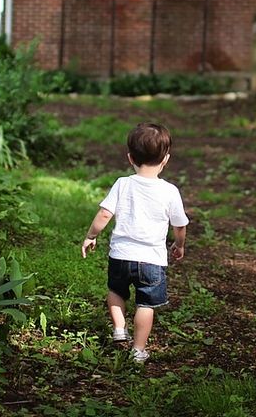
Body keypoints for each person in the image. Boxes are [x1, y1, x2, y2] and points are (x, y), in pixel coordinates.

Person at [81, 122, 189, 363]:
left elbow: (104, 214)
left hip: (120, 256)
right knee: (146, 305)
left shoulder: (123, 183)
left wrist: (91, 236)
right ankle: (138, 350)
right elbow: (179, 225)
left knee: (116, 291)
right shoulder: (170, 191)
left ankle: (120, 328)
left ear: (130, 158)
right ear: (166, 160)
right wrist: (179, 244)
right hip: (152, 261)